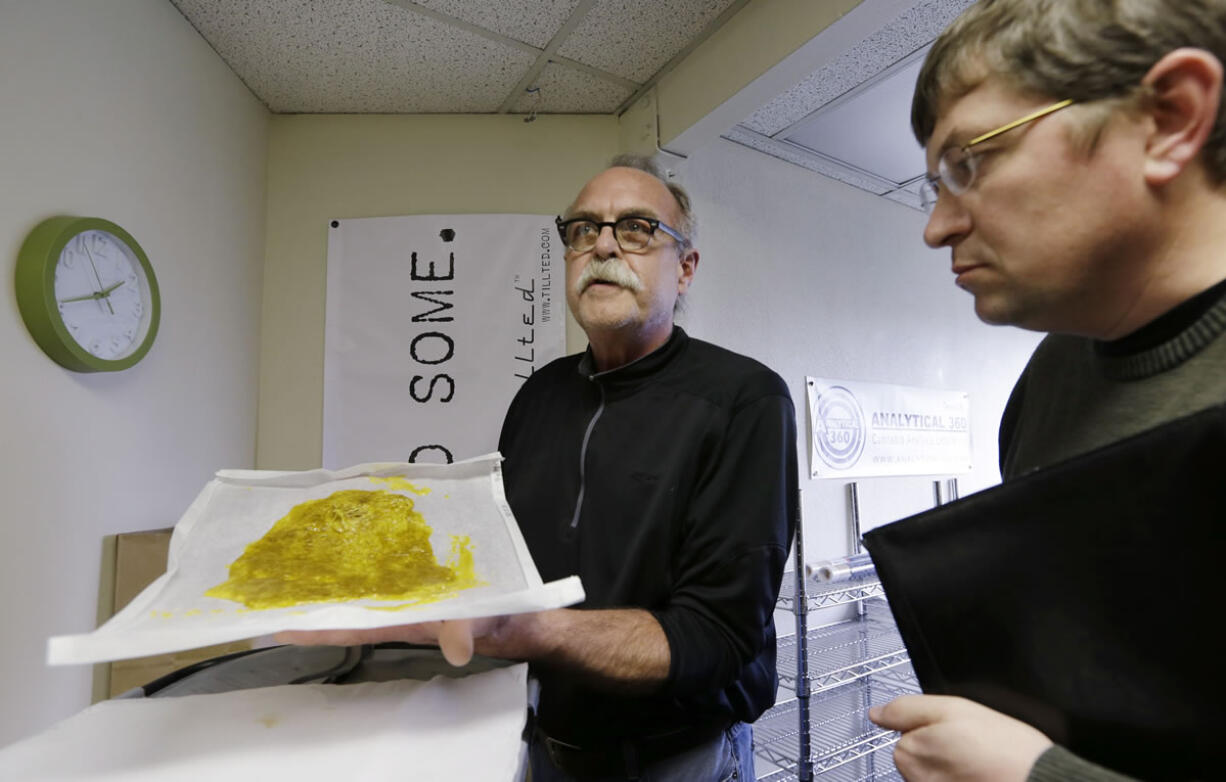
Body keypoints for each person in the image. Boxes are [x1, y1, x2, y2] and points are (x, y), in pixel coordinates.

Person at [288, 155, 799, 781]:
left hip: (676, 760)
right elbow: (498, 557)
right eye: (583, 229)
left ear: (685, 268)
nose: (603, 244)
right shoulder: (540, 394)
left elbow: (716, 638)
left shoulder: (745, 400)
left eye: (636, 228)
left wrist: (518, 631)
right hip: (538, 746)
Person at [868, 1, 1226, 780]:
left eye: (969, 161)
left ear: (1170, 117)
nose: (936, 228)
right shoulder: (1048, 384)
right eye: (932, 182)